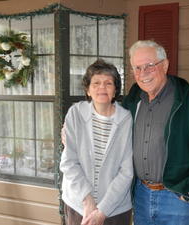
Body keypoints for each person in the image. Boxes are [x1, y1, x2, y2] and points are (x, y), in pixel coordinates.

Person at [122, 40, 189, 225]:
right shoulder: (131, 102)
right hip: (141, 195)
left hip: (177, 199)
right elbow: (107, 123)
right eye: (137, 68)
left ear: (165, 65)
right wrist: (72, 132)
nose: (142, 73)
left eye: (149, 66)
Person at [60, 59, 133, 225]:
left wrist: (103, 210)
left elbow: (127, 171)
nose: (102, 88)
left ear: (115, 90)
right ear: (88, 90)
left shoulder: (126, 119)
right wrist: (88, 201)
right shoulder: (75, 114)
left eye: (108, 83)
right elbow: (69, 163)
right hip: (79, 206)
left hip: (115, 209)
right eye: (96, 83)